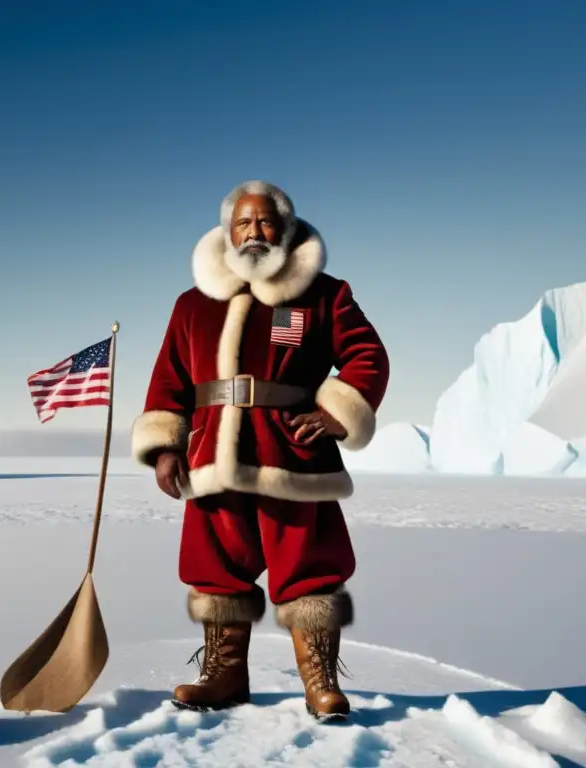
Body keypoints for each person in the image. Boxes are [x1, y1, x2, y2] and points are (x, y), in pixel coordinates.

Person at [131, 180, 389, 720]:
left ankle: (319, 681)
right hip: (210, 458)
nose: (254, 231)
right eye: (243, 223)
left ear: (286, 229)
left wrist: (335, 412)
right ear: (228, 232)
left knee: (310, 568)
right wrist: (164, 447)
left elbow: (367, 355)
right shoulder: (192, 304)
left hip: (291, 457)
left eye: (265, 221)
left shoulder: (323, 294)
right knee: (216, 569)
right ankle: (224, 676)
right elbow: (169, 381)